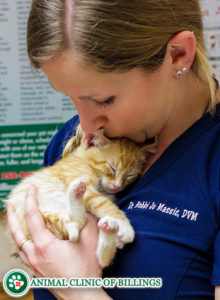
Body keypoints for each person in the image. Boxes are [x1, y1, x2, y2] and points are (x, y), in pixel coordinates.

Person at [7, 0, 220, 299]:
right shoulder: (69, 144)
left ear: (178, 55)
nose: (86, 124)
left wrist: (81, 292)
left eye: (104, 100)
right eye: (70, 97)